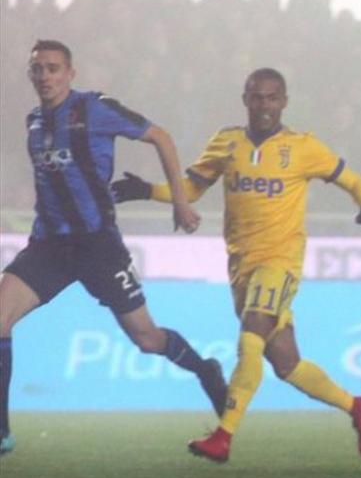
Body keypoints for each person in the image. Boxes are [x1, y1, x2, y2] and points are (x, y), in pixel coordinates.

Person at [112, 68, 361, 463]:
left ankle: (223, 436)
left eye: (272, 98)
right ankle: (356, 405)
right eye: (257, 97)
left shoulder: (303, 146)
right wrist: (147, 191)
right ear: (245, 99)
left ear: (284, 101)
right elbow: (190, 188)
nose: (264, 106)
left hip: (280, 262)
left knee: (251, 335)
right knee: (286, 364)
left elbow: (354, 180)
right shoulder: (227, 142)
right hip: (241, 266)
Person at [0, 40, 227, 455]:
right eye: (38, 69)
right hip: (49, 245)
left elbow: (160, 136)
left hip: (98, 245)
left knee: (147, 338)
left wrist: (180, 200)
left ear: (70, 72)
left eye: (53, 68)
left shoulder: (94, 109)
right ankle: (1, 433)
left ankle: (205, 370)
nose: (45, 76)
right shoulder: (34, 121)